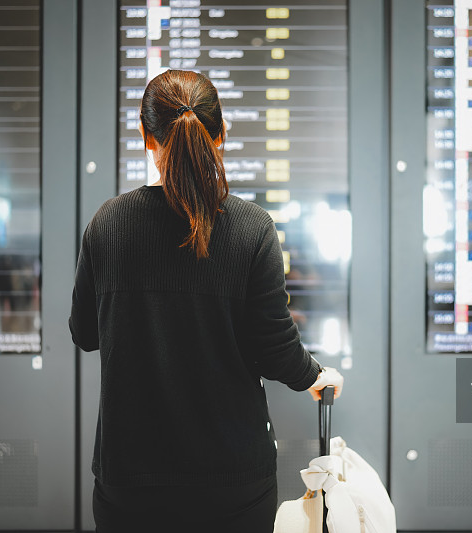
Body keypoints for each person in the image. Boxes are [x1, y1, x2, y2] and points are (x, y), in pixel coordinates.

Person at [69, 69, 344, 532]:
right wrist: (316, 375)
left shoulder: (109, 225)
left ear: (145, 137)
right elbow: (273, 347)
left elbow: (85, 334)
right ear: (220, 136)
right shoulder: (252, 228)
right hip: (232, 482)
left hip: (131, 479)